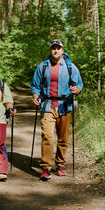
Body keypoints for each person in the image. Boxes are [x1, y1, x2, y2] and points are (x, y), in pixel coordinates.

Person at [31, 39, 83, 181]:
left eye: (58, 48)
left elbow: (79, 85)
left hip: (65, 106)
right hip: (48, 105)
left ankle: (60, 165)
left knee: (63, 138)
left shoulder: (71, 67)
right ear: (50, 50)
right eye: (53, 48)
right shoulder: (42, 67)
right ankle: (46, 168)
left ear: (62, 50)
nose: (56, 50)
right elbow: (35, 85)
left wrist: (76, 90)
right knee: (47, 136)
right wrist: (36, 96)